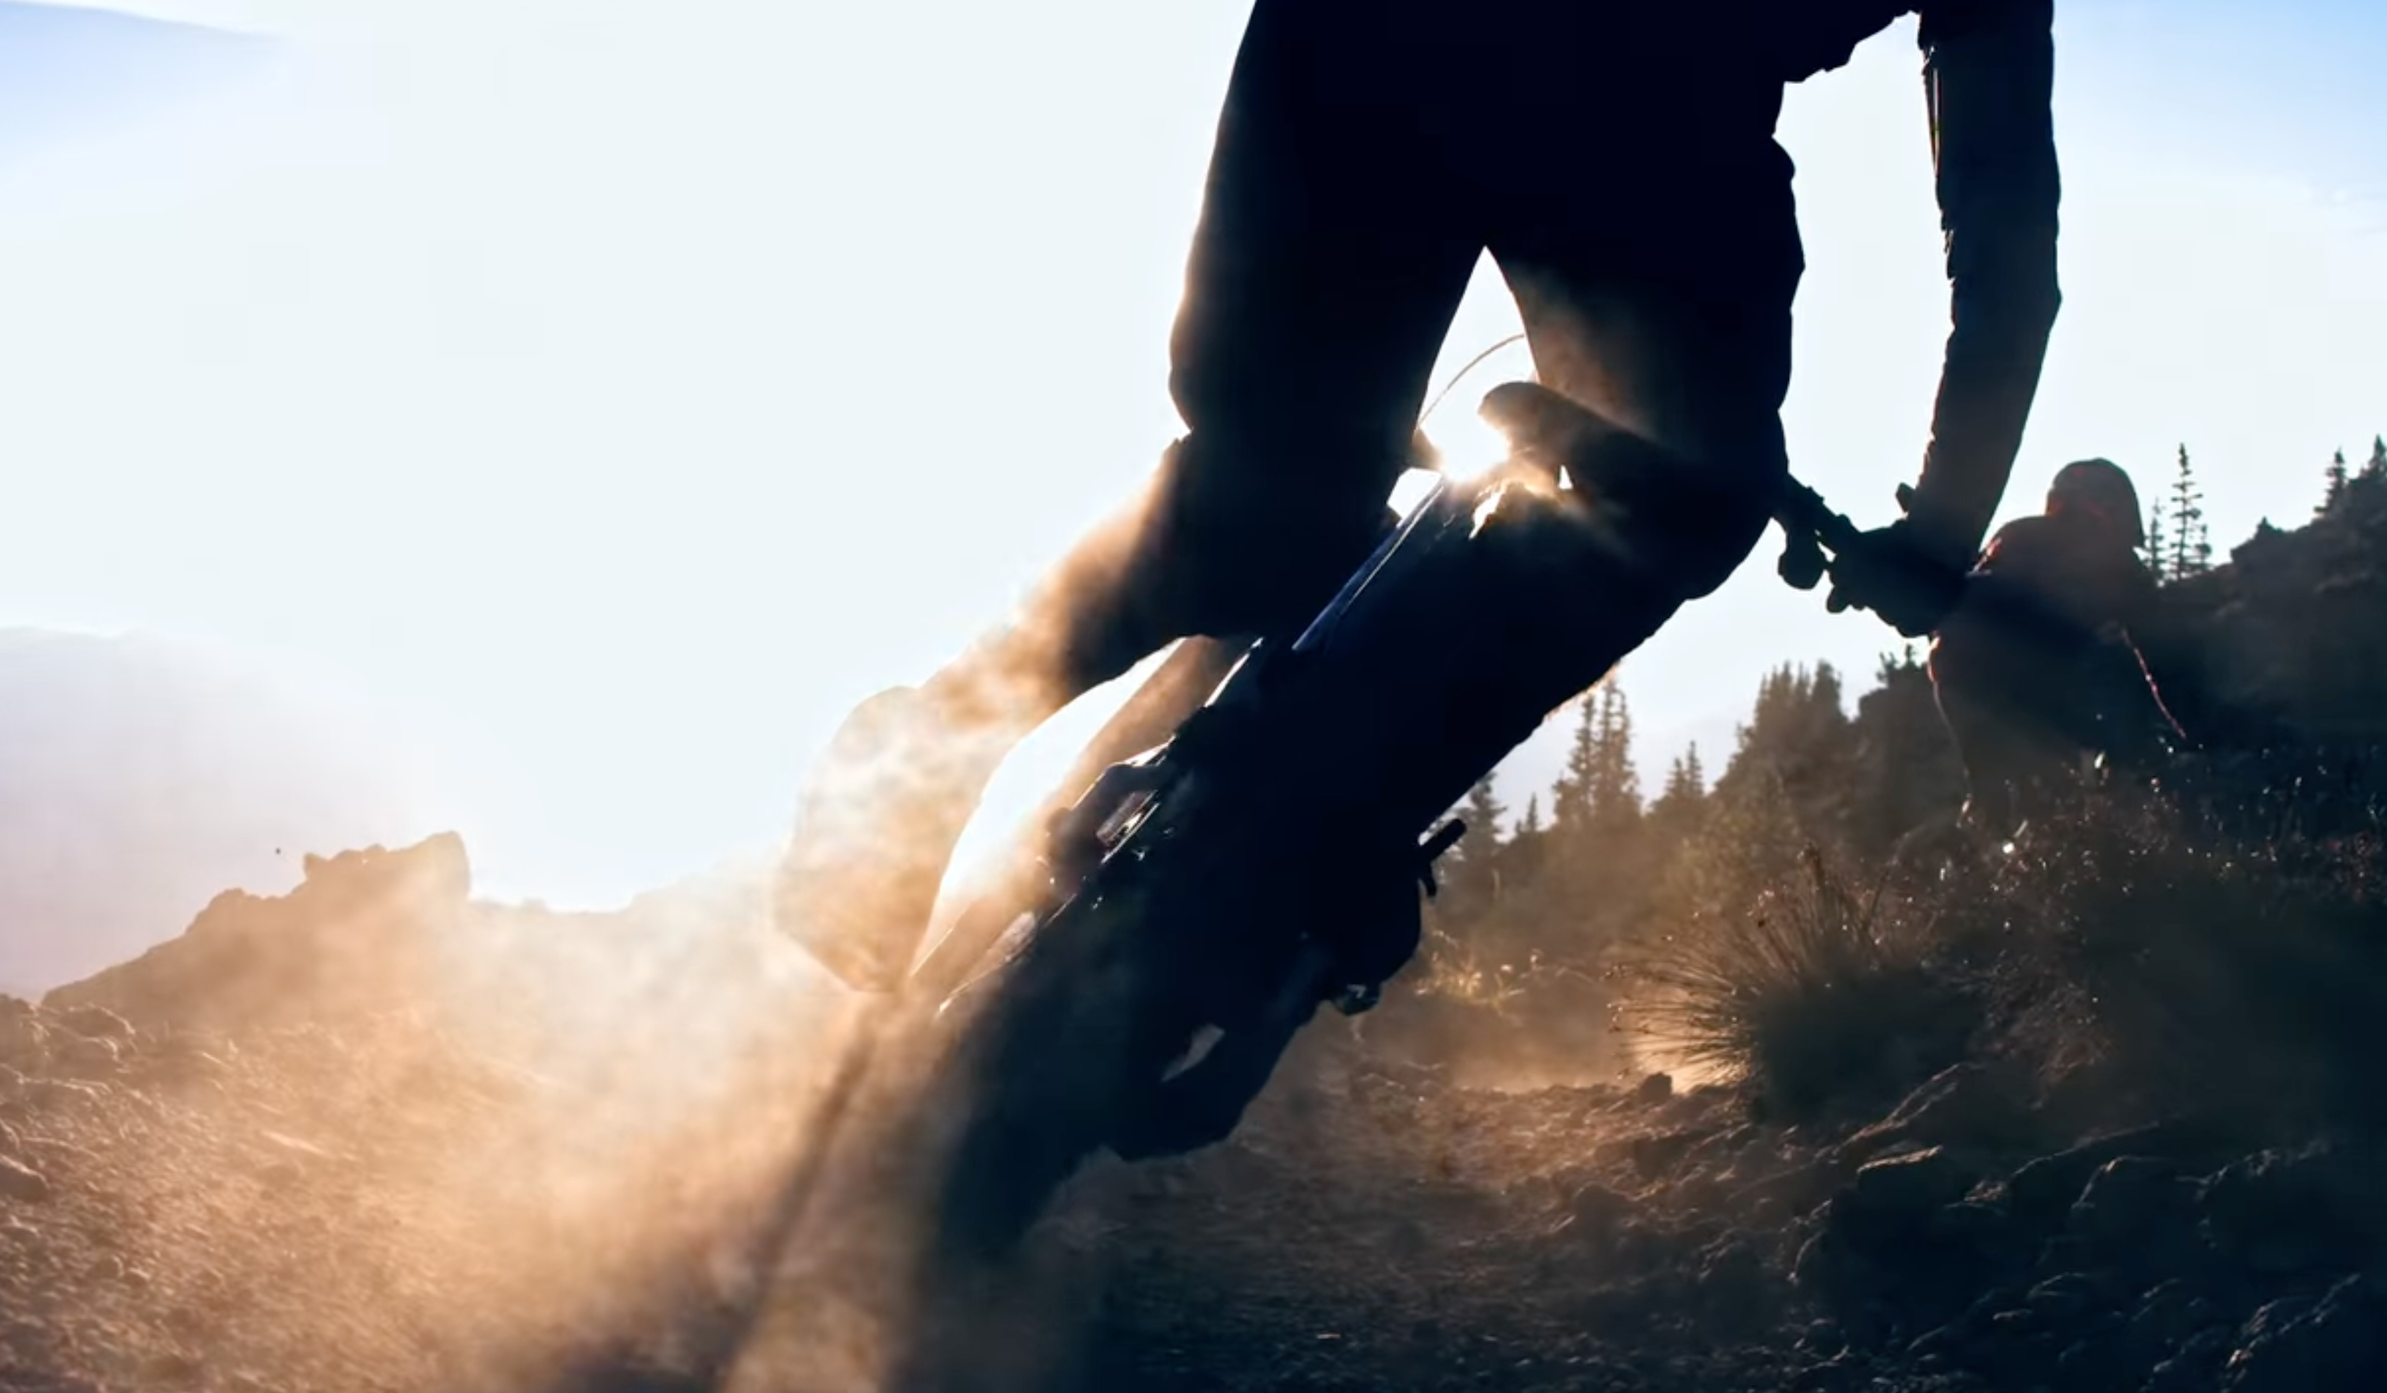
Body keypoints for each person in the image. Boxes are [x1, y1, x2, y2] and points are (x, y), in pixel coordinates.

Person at [775, 0, 2064, 992]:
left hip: (1412, 56)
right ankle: (1330, 806)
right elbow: (2002, 232)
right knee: (1669, 507)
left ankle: (923, 776)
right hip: (1641, 137)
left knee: (1267, 477)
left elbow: (2003, 229)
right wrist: (1941, 529)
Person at [1926, 457, 2208, 832]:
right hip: (2001, 682)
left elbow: (1958, 607)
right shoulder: (2119, 569)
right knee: (2047, 787)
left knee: (2005, 792)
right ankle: (2099, 805)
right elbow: (2162, 663)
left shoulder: (2018, 537)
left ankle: (1994, 825)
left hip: (1963, 678)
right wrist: (2200, 734)